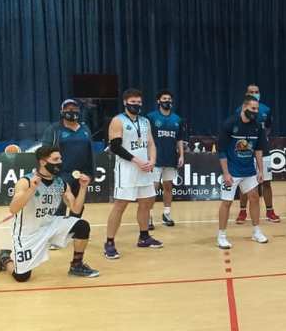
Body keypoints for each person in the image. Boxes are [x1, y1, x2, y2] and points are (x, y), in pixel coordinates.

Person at [0, 145, 99, 281]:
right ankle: (4, 259)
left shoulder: (61, 183)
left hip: (50, 224)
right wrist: (32, 190)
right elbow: (13, 209)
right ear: (43, 162)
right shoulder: (26, 181)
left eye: (60, 159)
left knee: (82, 226)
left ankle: (76, 266)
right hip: (28, 232)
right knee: (22, 277)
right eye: (55, 159)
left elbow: (76, 209)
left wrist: (83, 188)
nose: (60, 162)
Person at [104, 89, 163, 260]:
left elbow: (151, 143)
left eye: (138, 102)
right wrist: (136, 160)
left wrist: (152, 160)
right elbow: (115, 147)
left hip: (145, 168)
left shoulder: (145, 121)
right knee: (120, 205)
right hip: (127, 169)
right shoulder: (118, 120)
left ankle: (144, 237)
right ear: (125, 102)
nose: (136, 105)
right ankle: (109, 242)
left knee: (146, 203)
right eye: (133, 102)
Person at [216, 94, 269, 248]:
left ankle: (256, 232)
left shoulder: (257, 126)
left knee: (254, 198)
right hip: (232, 171)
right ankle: (221, 236)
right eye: (253, 108)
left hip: (249, 171)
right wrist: (226, 173)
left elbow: (258, 150)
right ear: (244, 107)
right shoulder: (230, 124)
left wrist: (260, 170)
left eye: (257, 109)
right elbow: (221, 150)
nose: (255, 112)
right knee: (227, 202)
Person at [40, 98, 94, 218]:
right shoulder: (53, 129)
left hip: (81, 174)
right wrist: (47, 173)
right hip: (61, 174)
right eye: (68, 109)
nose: (71, 111)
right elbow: (44, 152)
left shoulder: (85, 129)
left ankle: (74, 227)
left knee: (79, 206)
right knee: (59, 206)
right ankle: (57, 228)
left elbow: (90, 153)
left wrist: (90, 174)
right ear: (62, 111)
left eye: (74, 108)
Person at [235, 85, 281, 224]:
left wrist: (260, 139)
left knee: (266, 182)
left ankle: (270, 211)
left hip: (264, 151)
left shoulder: (266, 110)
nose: (254, 94)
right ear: (246, 94)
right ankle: (242, 211)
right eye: (251, 92)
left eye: (256, 92)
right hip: (246, 152)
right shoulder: (239, 110)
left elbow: (268, 128)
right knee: (244, 183)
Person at [147, 90, 185, 229]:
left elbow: (179, 139)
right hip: (155, 159)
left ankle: (166, 214)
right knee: (153, 188)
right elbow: (147, 138)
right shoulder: (151, 117)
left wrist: (181, 155)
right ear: (158, 101)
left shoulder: (177, 119)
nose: (167, 101)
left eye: (169, 99)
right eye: (164, 98)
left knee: (168, 186)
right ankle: (148, 217)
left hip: (170, 158)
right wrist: (149, 156)